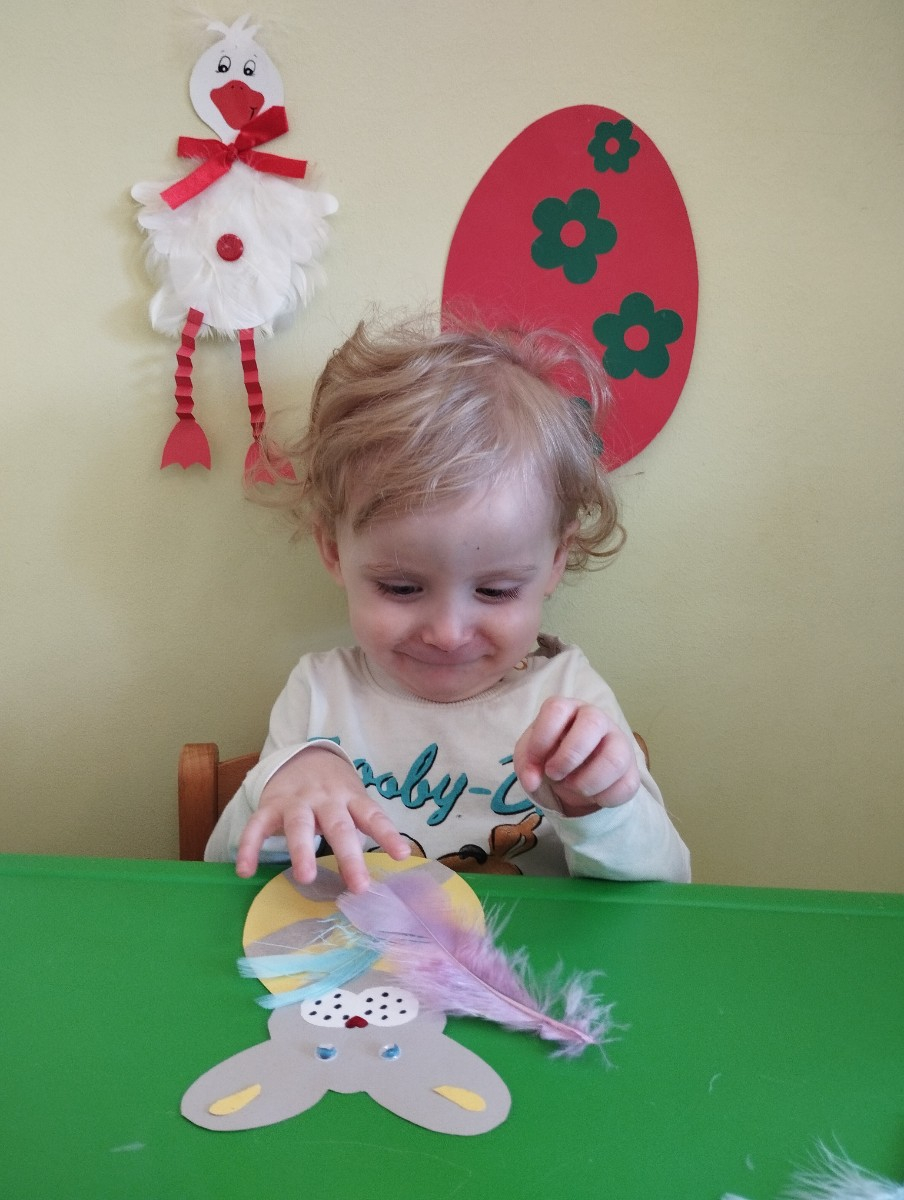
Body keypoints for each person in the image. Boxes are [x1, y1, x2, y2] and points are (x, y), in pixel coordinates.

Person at [205, 316, 691, 892]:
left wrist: (597, 808)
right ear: (333, 552)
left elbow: (671, 886)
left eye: (496, 591)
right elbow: (221, 876)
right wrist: (280, 786)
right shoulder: (319, 694)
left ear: (556, 562)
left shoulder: (568, 698)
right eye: (401, 588)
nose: (448, 632)